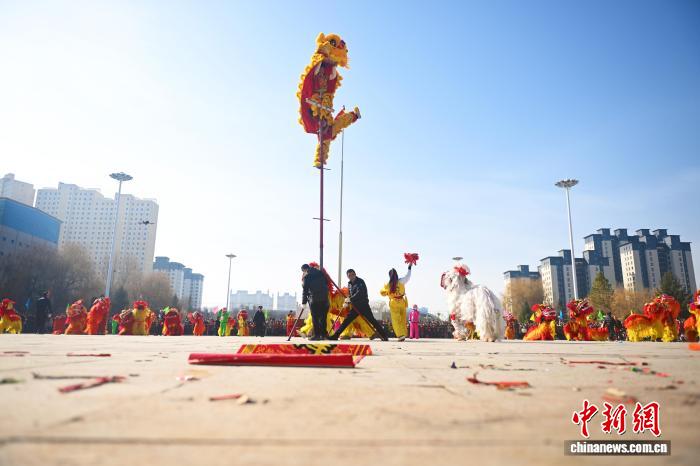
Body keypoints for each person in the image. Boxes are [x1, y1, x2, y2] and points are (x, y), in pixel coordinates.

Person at [329, 269, 389, 341]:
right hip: (355, 307)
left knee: (372, 321)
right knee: (346, 321)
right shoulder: (349, 284)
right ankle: (335, 336)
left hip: (364, 306)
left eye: (352, 274)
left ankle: (384, 336)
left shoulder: (360, 282)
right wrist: (347, 302)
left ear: (355, 274)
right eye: (349, 275)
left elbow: (360, 293)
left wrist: (350, 299)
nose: (351, 276)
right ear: (347, 276)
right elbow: (351, 295)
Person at [380, 265, 412, 341]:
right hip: (402, 302)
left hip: (394, 302)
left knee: (396, 320)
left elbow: (382, 292)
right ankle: (403, 334)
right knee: (402, 319)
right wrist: (409, 267)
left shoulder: (387, 284)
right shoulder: (401, 281)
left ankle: (400, 335)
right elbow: (408, 276)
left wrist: (387, 292)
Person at [301, 263, 330, 340]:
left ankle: (317, 335)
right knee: (323, 318)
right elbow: (327, 282)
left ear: (304, 270)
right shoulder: (321, 273)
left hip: (314, 299)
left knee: (315, 318)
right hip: (325, 299)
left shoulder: (307, 276)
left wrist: (303, 302)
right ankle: (323, 335)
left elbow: (305, 290)